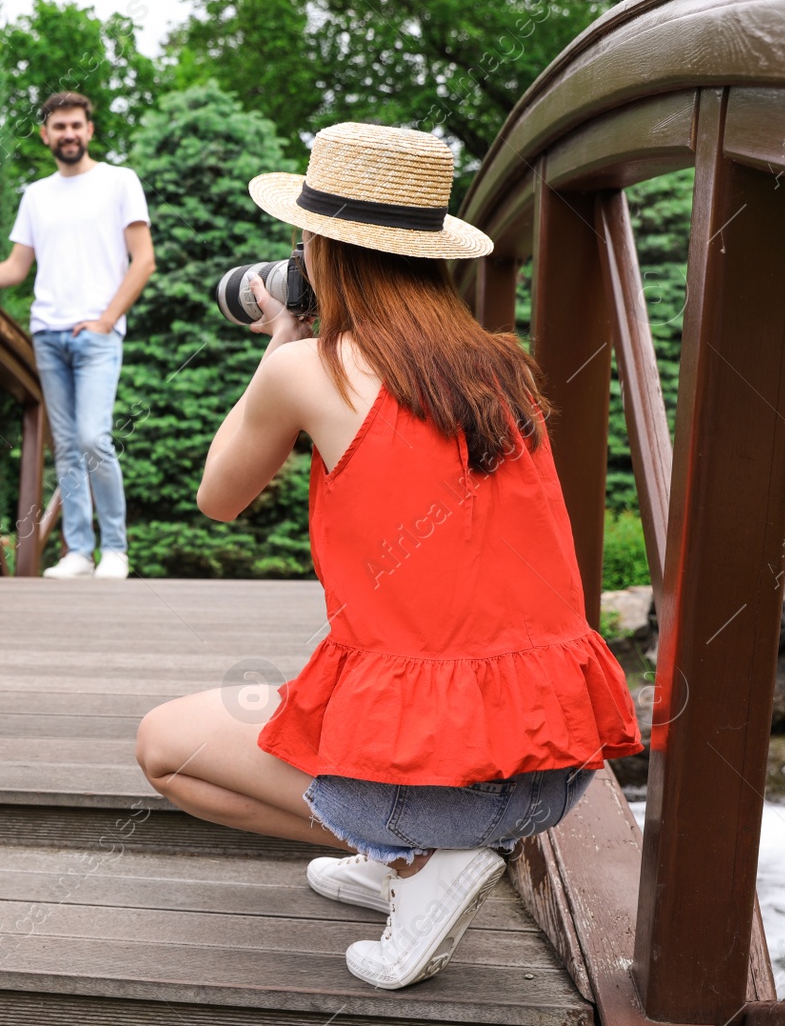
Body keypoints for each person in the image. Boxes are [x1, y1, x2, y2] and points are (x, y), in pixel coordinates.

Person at [132, 122, 643, 990]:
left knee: (163, 744)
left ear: (322, 250)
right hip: (550, 769)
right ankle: (394, 852)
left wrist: (280, 341)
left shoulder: (307, 368)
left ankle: (418, 861)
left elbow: (216, 497)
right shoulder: (501, 368)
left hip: (447, 780)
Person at [0, 91, 155, 580]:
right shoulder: (36, 194)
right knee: (64, 444)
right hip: (48, 334)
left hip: (98, 335)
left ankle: (116, 550)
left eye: (76, 125)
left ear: (90, 130)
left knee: (92, 437)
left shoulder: (120, 182)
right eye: (59, 127)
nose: (68, 134)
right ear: (45, 135)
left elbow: (143, 261)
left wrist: (106, 320)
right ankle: (79, 552)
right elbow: (17, 268)